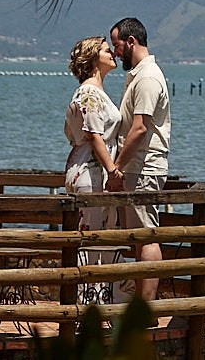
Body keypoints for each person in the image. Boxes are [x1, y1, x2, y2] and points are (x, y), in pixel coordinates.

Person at [106, 17, 171, 302]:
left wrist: (116, 167)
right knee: (139, 235)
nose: (115, 52)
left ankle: (145, 308)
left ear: (131, 41)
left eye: (117, 45)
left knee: (146, 235)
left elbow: (140, 128)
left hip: (143, 168)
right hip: (138, 167)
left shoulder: (146, 78)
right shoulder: (140, 76)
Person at [63, 35, 122, 307]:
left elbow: (72, 133)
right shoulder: (90, 93)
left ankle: (94, 303)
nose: (113, 54)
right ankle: (87, 305)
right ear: (93, 58)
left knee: (92, 237)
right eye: (107, 50)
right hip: (91, 173)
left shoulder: (90, 93)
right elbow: (95, 135)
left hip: (84, 167)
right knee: (90, 238)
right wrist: (113, 171)